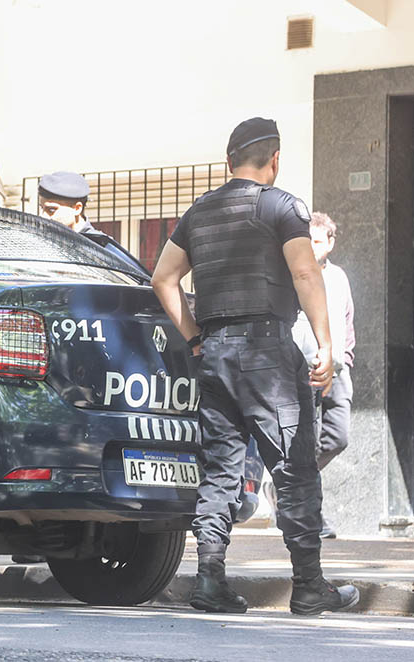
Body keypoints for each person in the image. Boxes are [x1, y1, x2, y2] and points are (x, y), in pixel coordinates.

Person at [149, 117, 359, 615]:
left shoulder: (199, 212)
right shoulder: (282, 206)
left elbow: (163, 279)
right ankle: (309, 586)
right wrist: (325, 343)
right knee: (295, 469)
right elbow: (305, 271)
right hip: (268, 354)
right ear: (275, 160)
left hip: (215, 353)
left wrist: (195, 338)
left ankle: (209, 581)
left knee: (221, 469)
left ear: (229, 162)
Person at [291, 212, 355, 539]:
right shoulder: (294, 273)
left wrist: (346, 358)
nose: (312, 247)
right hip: (307, 367)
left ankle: (288, 483)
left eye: (317, 241)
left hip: (338, 370)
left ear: (330, 243)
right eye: (308, 241)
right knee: (309, 439)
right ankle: (310, 515)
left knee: (339, 435)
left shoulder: (339, 277)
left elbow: (347, 319)